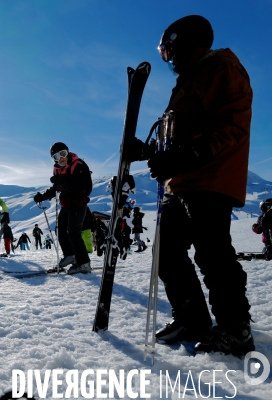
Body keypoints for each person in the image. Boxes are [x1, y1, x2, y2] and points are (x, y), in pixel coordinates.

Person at [132, 15, 253, 356]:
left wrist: (190, 154)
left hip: (210, 178)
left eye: (170, 51)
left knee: (213, 253)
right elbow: (175, 142)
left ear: (187, 44)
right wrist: (147, 151)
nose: (169, 60)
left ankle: (235, 329)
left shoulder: (222, 69)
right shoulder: (188, 82)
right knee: (166, 255)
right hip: (182, 181)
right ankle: (192, 318)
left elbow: (232, 123)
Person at [33, 142, 93, 274]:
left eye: (63, 154)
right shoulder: (57, 169)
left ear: (67, 152)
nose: (61, 158)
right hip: (66, 205)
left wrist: (62, 182)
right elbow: (56, 188)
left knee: (73, 233)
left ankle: (84, 263)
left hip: (78, 204)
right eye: (56, 156)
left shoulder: (78, 165)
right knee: (60, 231)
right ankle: (70, 256)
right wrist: (42, 197)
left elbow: (82, 188)